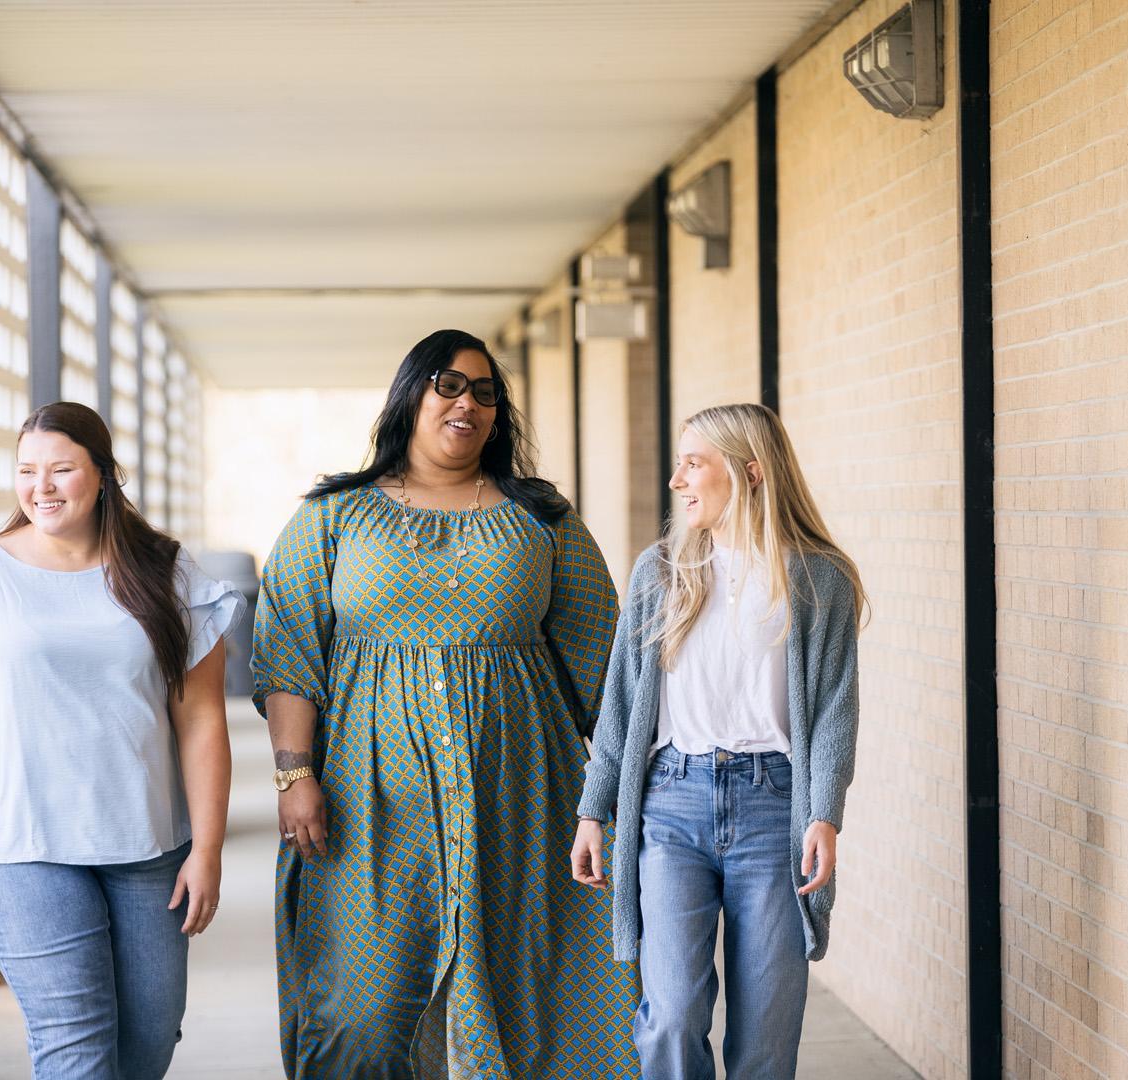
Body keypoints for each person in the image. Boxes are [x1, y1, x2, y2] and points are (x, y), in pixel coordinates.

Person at [252, 329, 639, 1079]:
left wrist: (625, 793)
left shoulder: (542, 519)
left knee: (533, 998)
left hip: (522, 796)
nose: (468, 402)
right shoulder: (332, 516)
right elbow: (289, 656)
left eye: (485, 392)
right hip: (366, 804)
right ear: (411, 397)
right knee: (362, 1008)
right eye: (449, 385)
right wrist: (293, 776)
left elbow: (607, 663)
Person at [0, 402, 242, 1079]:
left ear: (103, 476)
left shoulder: (168, 575)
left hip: (145, 843)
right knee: (77, 1049)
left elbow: (201, 720)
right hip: (14, 843)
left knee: (145, 1046)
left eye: (61, 469)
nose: (41, 487)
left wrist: (206, 849)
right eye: (27, 471)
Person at [571, 402, 866, 1080]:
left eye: (692, 462)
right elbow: (619, 708)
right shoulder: (659, 572)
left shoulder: (818, 578)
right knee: (670, 1014)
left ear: (750, 472)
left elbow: (833, 713)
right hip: (670, 804)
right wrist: (594, 810)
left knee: (764, 1033)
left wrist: (824, 813)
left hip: (773, 809)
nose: (677, 480)